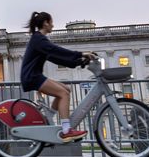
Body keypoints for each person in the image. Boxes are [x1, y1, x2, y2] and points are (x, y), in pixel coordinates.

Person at [20, 11, 96, 142]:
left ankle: (49, 116)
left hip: (34, 76)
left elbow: (56, 58)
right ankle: (66, 130)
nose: (53, 26)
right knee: (63, 93)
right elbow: (56, 50)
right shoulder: (38, 39)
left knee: (66, 89)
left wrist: (78, 62)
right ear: (45, 23)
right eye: (51, 22)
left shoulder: (39, 40)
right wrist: (80, 54)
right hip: (32, 76)